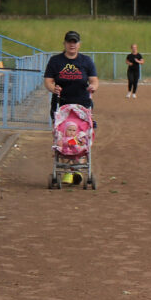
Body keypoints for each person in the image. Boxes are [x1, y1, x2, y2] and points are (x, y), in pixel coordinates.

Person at [44, 30, 99, 184]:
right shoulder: (55, 61)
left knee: (80, 137)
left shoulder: (86, 61)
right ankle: (71, 169)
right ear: (65, 44)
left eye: (74, 42)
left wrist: (92, 87)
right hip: (62, 105)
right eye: (69, 42)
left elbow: (94, 80)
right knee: (63, 136)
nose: (72, 45)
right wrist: (52, 87)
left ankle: (76, 169)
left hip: (82, 107)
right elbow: (48, 81)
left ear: (79, 44)